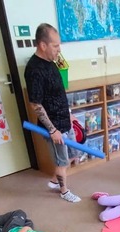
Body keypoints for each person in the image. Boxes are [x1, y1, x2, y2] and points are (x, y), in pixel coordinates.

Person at [24, 23, 80, 203]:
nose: (59, 49)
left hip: (64, 120)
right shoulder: (34, 70)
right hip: (54, 127)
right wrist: (52, 130)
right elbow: (35, 104)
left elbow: (58, 93)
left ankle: (55, 180)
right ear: (43, 45)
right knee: (61, 162)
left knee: (73, 154)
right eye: (55, 46)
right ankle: (64, 191)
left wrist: (68, 113)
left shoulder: (51, 62)